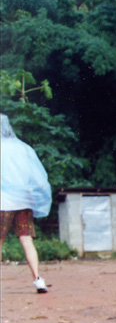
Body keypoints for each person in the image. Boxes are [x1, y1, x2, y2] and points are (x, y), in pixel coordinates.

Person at [0, 113, 52, 293]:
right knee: (26, 239)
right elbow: (37, 176)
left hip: (3, 201)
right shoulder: (24, 148)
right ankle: (38, 280)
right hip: (24, 200)